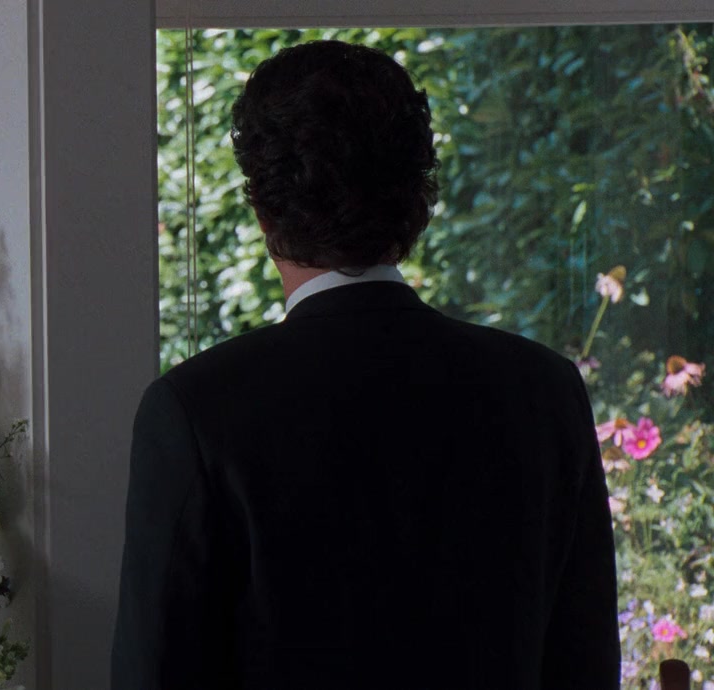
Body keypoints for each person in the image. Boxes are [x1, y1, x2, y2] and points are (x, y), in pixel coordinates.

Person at [111, 40, 619, 688]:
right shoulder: (544, 392)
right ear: (417, 200)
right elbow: (585, 665)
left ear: (261, 207)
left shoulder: (197, 412)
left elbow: (153, 673)